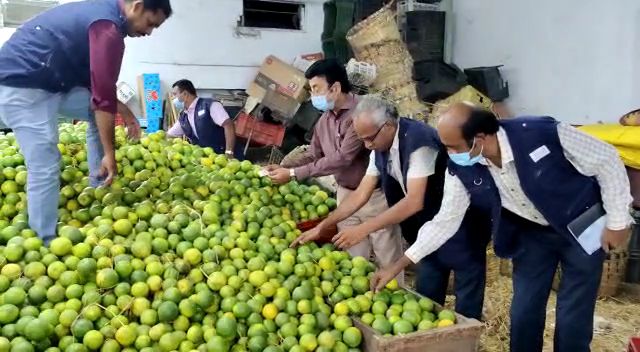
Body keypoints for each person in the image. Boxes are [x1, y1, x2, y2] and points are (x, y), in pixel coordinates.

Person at [371, 103, 633, 352]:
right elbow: (445, 220)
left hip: (581, 222)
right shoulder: (462, 169)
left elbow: (607, 159)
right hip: (531, 234)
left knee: (573, 313)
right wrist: (399, 264)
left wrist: (618, 220)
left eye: (453, 147)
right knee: (524, 309)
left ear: (480, 138)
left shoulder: (542, 132)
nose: (449, 154)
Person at [295, 96, 492, 320]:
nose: (367, 145)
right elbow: (361, 193)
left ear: (387, 126)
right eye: (363, 139)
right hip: (426, 230)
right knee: (426, 300)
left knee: (466, 297)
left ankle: (467, 337)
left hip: (461, 226)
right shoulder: (379, 147)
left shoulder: (419, 141)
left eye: (370, 138)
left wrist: (364, 228)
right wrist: (324, 226)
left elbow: (414, 201)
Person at [0, 0, 172, 244]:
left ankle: (97, 185)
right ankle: (43, 240)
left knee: (94, 112)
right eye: (150, 23)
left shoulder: (104, 17)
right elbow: (102, 98)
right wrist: (110, 153)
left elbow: (99, 88)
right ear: (137, 6)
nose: (149, 32)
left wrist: (126, 111)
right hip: (23, 83)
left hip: (52, 83)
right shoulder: (106, 27)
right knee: (45, 164)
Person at [268, 59, 400, 269]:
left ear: (335, 88)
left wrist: (293, 174)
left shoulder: (361, 114)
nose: (313, 96)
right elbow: (313, 153)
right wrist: (284, 168)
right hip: (345, 195)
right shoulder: (325, 120)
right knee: (353, 258)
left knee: (387, 255)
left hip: (374, 196)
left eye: (316, 89)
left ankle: (397, 294)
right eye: (311, 90)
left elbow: (342, 158)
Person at [167, 79, 243, 159]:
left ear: (185, 94)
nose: (173, 98)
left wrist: (229, 152)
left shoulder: (210, 105)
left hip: (227, 158)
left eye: (175, 94)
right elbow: (170, 135)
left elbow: (228, 125)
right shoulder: (184, 116)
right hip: (208, 162)